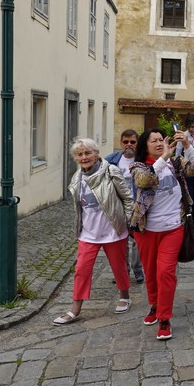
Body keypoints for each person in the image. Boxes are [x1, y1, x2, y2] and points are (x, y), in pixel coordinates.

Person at [54, 138, 134, 326]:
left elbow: (127, 198)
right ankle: (75, 309)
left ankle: (124, 296)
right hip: (88, 233)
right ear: (75, 158)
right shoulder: (77, 178)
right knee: (81, 270)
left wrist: (129, 222)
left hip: (112, 230)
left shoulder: (111, 171)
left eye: (88, 153)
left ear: (96, 154)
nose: (84, 157)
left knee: (119, 267)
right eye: (79, 154)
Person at [130, 127, 194, 340]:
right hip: (147, 230)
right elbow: (144, 181)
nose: (159, 143)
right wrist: (162, 160)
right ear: (145, 146)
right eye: (154, 141)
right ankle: (154, 305)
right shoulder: (138, 166)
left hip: (173, 227)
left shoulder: (175, 163)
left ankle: (164, 318)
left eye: (161, 139)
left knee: (165, 273)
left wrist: (187, 146)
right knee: (151, 273)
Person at [105, 129, 144, 283]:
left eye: (132, 142)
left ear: (137, 143)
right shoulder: (111, 160)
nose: (129, 145)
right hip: (118, 206)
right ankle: (123, 271)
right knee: (120, 241)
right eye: (126, 142)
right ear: (121, 143)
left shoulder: (142, 160)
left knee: (137, 240)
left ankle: (137, 269)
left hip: (137, 205)